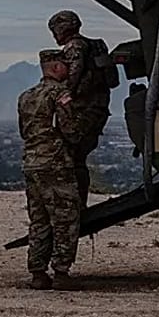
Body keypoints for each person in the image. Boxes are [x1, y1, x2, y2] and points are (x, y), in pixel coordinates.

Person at [17, 48, 87, 290]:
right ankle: (61, 272)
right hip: (56, 164)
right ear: (57, 68)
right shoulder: (60, 94)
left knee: (39, 219)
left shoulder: (26, 96)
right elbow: (69, 130)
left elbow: (24, 131)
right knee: (65, 218)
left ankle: (38, 272)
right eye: (65, 65)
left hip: (32, 163)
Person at [47, 10, 117, 203]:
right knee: (78, 158)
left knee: (71, 158)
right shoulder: (97, 46)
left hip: (81, 112)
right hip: (99, 109)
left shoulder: (75, 48)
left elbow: (71, 80)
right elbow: (112, 80)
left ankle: (75, 204)